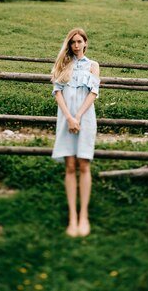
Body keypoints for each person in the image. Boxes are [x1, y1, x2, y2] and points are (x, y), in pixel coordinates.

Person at [51, 28, 100, 237]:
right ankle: (72, 217)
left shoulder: (93, 66)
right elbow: (57, 93)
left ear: (86, 43)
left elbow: (94, 93)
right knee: (70, 165)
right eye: (73, 42)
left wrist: (78, 116)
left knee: (84, 164)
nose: (76, 45)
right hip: (65, 118)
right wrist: (69, 118)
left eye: (80, 41)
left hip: (85, 117)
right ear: (69, 45)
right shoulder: (64, 65)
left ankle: (84, 216)